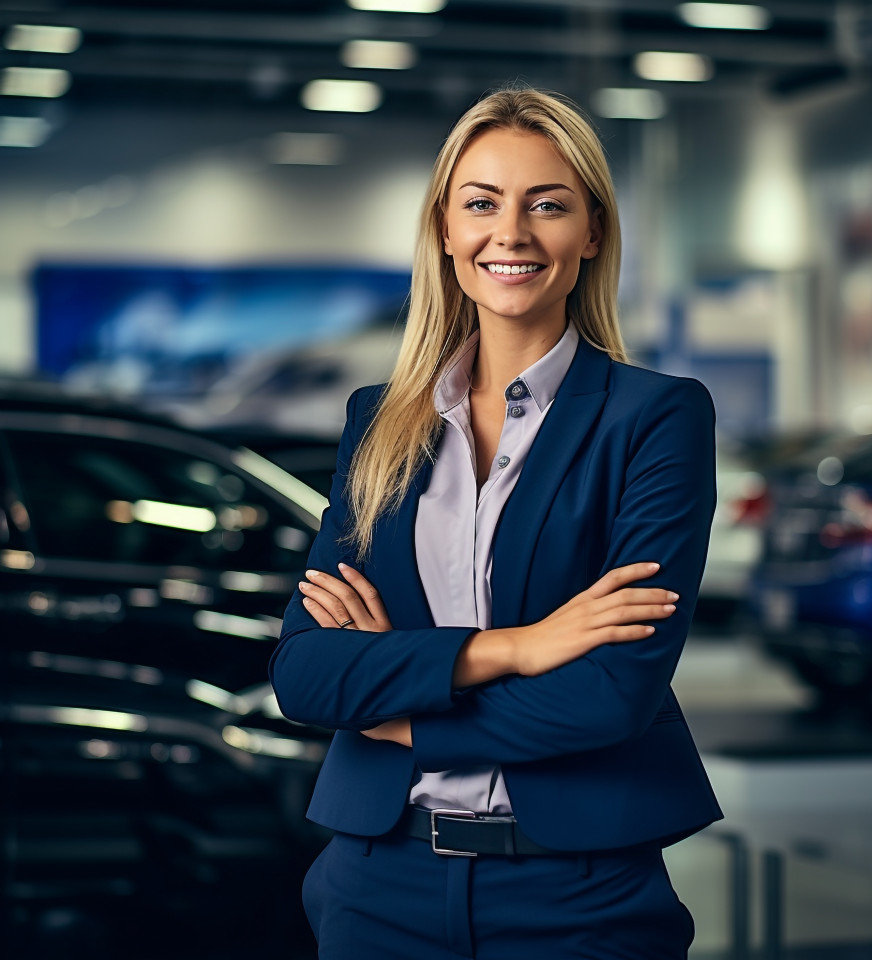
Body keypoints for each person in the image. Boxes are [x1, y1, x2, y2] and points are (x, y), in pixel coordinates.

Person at [270, 87, 721, 960]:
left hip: (575, 890)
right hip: (377, 882)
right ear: (445, 228)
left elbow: (608, 695)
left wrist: (396, 708)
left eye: (546, 205)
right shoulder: (380, 419)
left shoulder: (655, 418)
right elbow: (309, 673)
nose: (509, 234)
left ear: (590, 232)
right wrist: (521, 647)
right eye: (481, 203)